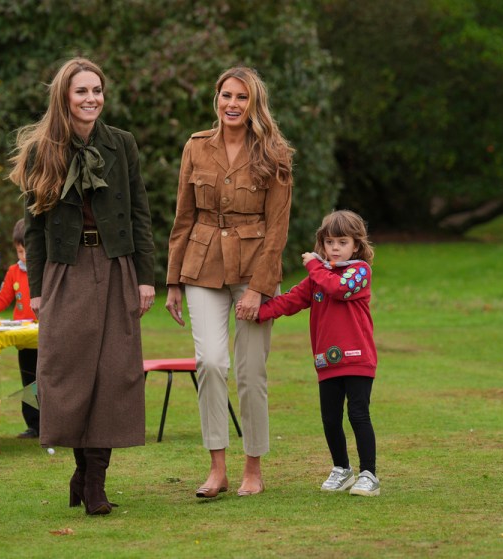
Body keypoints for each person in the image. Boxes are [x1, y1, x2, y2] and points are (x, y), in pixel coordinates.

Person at [9, 57, 155, 516]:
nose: (91, 98)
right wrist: (35, 289)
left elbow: (140, 215)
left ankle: (94, 480)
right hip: (64, 269)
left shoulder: (122, 145)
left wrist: (147, 277)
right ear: (64, 97)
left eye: (97, 90)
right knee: (71, 375)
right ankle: (81, 468)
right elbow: (33, 228)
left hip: (116, 266)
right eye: (82, 91)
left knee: (114, 373)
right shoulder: (41, 150)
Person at [165, 67, 293, 498]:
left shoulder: (275, 154)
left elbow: (277, 230)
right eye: (226, 96)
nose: (232, 105)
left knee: (251, 371)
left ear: (254, 104)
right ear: (216, 99)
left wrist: (259, 288)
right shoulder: (196, 147)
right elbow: (183, 217)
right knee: (212, 364)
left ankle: (252, 469)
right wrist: (172, 281)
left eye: (241, 97)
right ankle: (216, 468)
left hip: (255, 269)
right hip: (201, 267)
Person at [251, 210, 380, 497]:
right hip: (326, 362)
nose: (334, 247)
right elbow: (291, 300)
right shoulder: (318, 278)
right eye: (329, 241)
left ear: (356, 245)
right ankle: (342, 469)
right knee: (330, 418)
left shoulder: (359, 271)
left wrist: (314, 266)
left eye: (342, 242)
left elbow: (337, 289)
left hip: (358, 359)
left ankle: (368, 474)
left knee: (358, 415)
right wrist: (259, 312)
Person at [0, 218, 40, 438]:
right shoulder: (13, 272)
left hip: (46, 339)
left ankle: (55, 424)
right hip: (23, 341)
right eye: (20, 252)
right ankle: (34, 425)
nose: (25, 257)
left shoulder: (47, 270)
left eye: (29, 251)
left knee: (47, 382)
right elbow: (2, 299)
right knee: (29, 383)